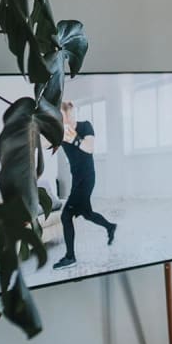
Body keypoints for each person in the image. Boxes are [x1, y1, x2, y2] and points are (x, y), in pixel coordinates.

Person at [52, 101, 117, 270]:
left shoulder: (85, 126)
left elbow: (89, 148)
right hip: (77, 180)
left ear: (72, 114)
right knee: (87, 213)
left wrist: (72, 138)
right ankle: (110, 227)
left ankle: (70, 257)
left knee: (66, 216)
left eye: (67, 116)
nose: (65, 120)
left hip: (87, 178)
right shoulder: (61, 131)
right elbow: (45, 143)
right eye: (61, 117)